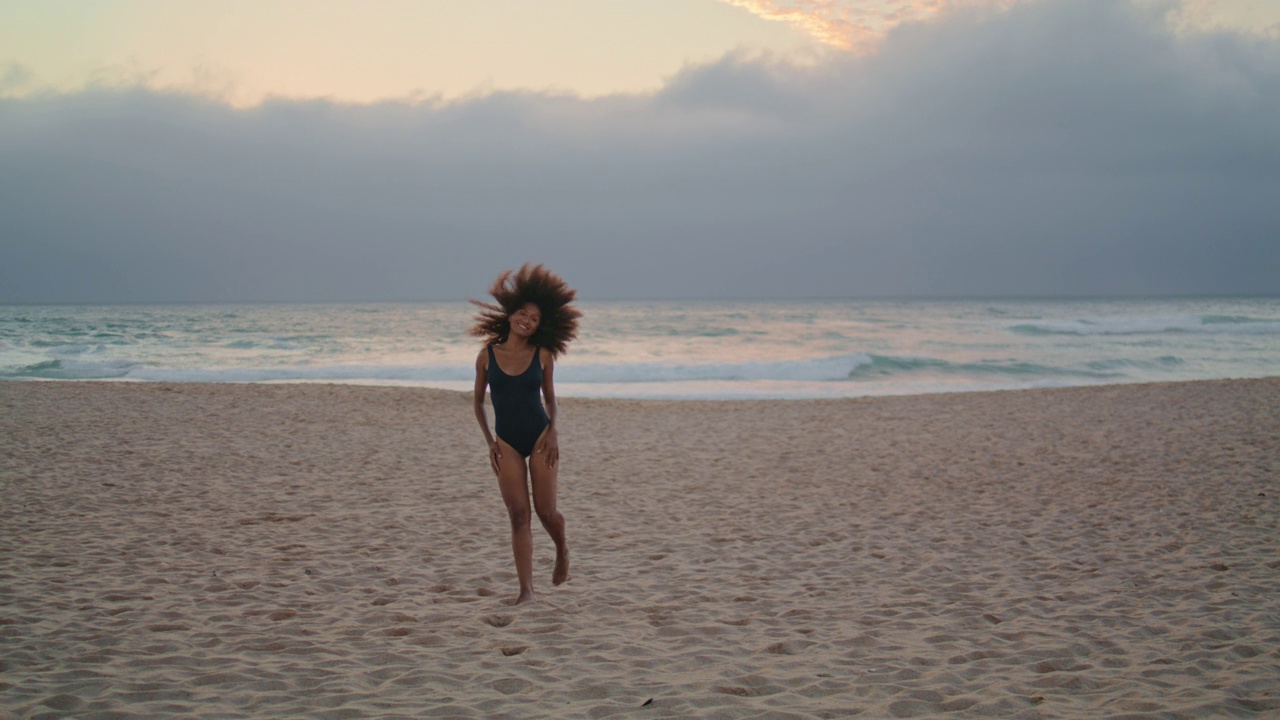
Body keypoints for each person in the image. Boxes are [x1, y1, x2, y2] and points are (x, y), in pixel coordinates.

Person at [471, 264, 582, 604]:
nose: (527, 321)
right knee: (519, 515)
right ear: (510, 315)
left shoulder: (543, 355)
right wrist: (490, 442)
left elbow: (551, 399)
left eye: (534, 319)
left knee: (546, 511)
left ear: (539, 326)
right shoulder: (487, 356)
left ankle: (562, 548)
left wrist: (553, 431)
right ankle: (527, 591)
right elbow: (477, 403)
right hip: (506, 442)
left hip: (539, 438)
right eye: (522, 314)